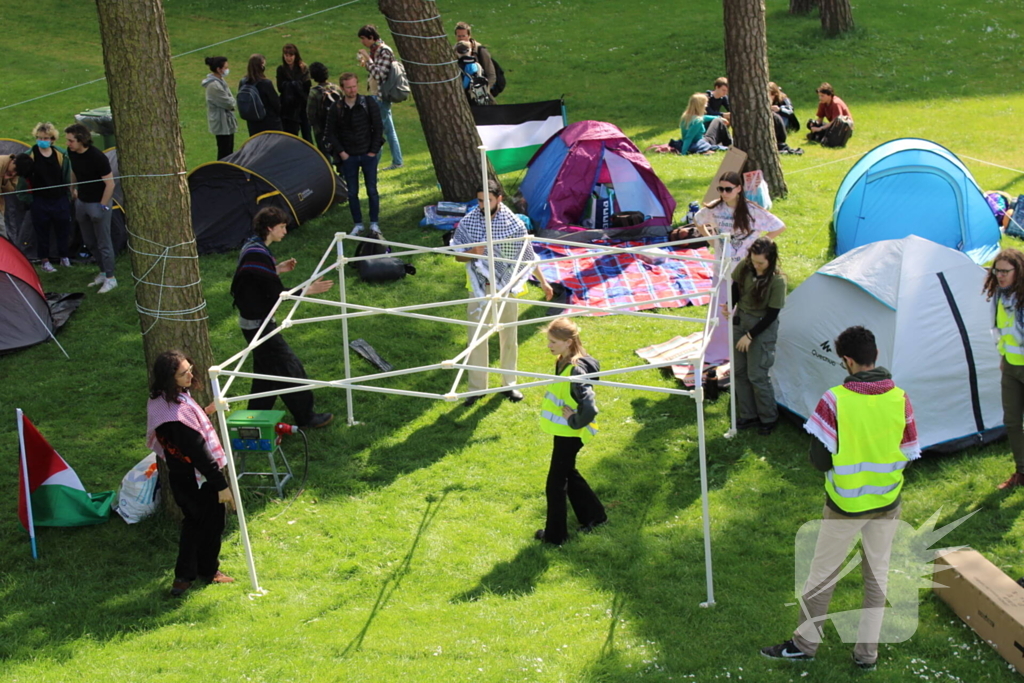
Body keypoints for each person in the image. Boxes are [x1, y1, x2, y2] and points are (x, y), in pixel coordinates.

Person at [761, 325, 919, 670]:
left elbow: (819, 460)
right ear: (875, 356)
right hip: (888, 502)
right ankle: (867, 655)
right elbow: (909, 449)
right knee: (877, 577)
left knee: (822, 574)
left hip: (845, 505)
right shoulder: (901, 398)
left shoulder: (835, 399)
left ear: (847, 361)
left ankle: (805, 645)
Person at [451, 179, 554, 407]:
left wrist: (544, 283)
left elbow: (527, 257)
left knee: (508, 337)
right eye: (479, 200)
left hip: (506, 288)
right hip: (479, 288)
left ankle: (509, 384)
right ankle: (477, 388)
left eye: (487, 200)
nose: (482, 205)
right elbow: (458, 255)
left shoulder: (514, 224)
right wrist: (473, 252)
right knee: (476, 338)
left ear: (499, 199)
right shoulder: (469, 222)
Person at [230, 206, 334, 429]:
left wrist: (276, 268)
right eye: (282, 227)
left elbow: (257, 279)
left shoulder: (254, 246)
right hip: (259, 325)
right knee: (289, 367)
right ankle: (306, 417)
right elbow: (276, 294)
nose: (285, 231)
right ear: (269, 228)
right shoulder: (256, 253)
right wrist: (308, 290)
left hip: (253, 324)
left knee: (267, 373)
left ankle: (254, 420)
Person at [146, 350, 236, 597]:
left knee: (194, 525)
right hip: (198, 480)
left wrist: (207, 410)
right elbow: (200, 454)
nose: (190, 375)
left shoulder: (161, 401)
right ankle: (202, 572)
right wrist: (222, 486)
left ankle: (186, 578)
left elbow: (189, 431)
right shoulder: (175, 417)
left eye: (189, 369)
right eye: (183, 373)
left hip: (181, 477)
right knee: (209, 524)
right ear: (169, 378)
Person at [535, 317, 607, 545]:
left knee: (555, 483)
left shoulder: (575, 369)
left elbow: (590, 408)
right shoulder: (565, 359)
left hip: (571, 432)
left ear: (568, 342)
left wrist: (574, 420)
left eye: (553, 341)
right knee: (568, 473)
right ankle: (595, 517)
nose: (549, 345)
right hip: (566, 431)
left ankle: (555, 537)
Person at [724, 238, 786, 435]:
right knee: (739, 372)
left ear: (771, 260)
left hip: (761, 327)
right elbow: (736, 286)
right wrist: (729, 305)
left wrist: (750, 336)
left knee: (757, 375)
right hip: (741, 321)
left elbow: (772, 314)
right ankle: (748, 414)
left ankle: (768, 417)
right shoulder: (746, 265)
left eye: (761, 263)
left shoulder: (777, 281)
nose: (757, 266)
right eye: (754, 261)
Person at [324, 72, 383, 237]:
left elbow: (378, 127)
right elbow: (330, 133)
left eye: (354, 86)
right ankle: (358, 224)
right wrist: (342, 153)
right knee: (352, 192)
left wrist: (373, 151)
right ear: (342, 88)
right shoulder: (336, 108)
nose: (352, 90)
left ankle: (374, 223)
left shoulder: (368, 103)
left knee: (372, 189)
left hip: (367, 154)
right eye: (349, 87)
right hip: (348, 156)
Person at [984, 249, 1024, 490]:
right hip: (1010, 367)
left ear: (1017, 271)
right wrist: (1003, 357)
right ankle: (1021, 472)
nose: (1000, 276)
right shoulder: (999, 295)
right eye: (996, 271)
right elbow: (999, 329)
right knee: (1011, 421)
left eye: (1005, 271)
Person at [693, 171, 785, 267]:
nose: (724, 193)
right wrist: (711, 240)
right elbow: (697, 220)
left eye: (728, 189)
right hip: (721, 264)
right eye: (721, 189)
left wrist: (758, 244)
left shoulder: (752, 210)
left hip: (744, 265)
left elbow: (779, 227)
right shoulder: (715, 207)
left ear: (739, 189)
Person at [66, 123, 117, 293]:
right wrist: (73, 188)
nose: (68, 144)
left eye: (71, 140)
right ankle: (102, 272)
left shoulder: (97, 157)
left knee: (103, 242)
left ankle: (111, 278)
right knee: (89, 241)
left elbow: (110, 184)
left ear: (81, 140)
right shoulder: (72, 153)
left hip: (98, 203)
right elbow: (74, 171)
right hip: (82, 201)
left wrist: (103, 205)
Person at [18, 122, 72, 273]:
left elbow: (67, 176)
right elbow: (22, 182)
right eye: (39, 137)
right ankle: (45, 261)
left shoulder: (61, 155)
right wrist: (28, 199)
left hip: (60, 198)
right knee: (42, 232)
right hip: (40, 200)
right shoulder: (30, 156)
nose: (42, 140)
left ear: (52, 139)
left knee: (63, 229)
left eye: (46, 138)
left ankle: (64, 257)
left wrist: (69, 195)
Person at [357, 24, 403, 171]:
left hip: (381, 97)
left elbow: (379, 75)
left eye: (363, 39)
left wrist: (368, 60)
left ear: (371, 37)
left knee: (376, 131)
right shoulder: (375, 50)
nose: (362, 42)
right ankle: (398, 161)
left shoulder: (384, 51)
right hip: (377, 96)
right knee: (389, 131)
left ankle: (373, 164)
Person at [202, 56, 238, 160]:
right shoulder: (214, 86)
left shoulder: (221, 81)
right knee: (224, 151)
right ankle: (222, 173)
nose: (227, 70)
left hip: (226, 121)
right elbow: (228, 103)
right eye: (225, 67)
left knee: (229, 150)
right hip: (221, 123)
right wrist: (232, 101)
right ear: (219, 69)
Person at [239, 54, 282, 137]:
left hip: (252, 121)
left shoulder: (243, 82)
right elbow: (276, 103)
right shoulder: (266, 83)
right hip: (269, 122)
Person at [276, 43, 312, 142]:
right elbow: (280, 87)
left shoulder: (303, 68)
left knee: (307, 134)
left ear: (295, 55)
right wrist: (293, 85)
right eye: (286, 55)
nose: (288, 58)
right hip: (288, 107)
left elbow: (307, 86)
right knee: (290, 135)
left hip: (302, 105)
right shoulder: (281, 69)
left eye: (291, 55)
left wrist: (294, 85)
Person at [306, 62, 342, 158]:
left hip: (321, 128)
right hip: (338, 126)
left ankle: (329, 172)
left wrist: (314, 126)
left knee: (324, 154)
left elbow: (310, 115)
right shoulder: (336, 88)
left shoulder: (314, 93)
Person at [454, 22, 497, 96]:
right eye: (459, 36)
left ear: (469, 36)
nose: (461, 39)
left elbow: (491, 73)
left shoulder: (480, 50)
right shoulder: (453, 50)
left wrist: (485, 91)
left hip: (480, 90)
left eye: (463, 36)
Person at [0, 153, 33, 240]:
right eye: (14, 169)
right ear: (13, 162)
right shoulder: (1, 163)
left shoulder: (13, 172)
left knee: (2, 232)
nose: (13, 173)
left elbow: (11, 189)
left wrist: (5, 180)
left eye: (17, 173)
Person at [455, 41, 494, 106]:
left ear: (456, 52)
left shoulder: (455, 66)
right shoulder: (477, 65)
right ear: (470, 51)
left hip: (461, 98)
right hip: (476, 97)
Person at [768, 82, 802, 155]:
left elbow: (790, 111)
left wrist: (779, 110)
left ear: (774, 94)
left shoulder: (783, 99)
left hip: (786, 122)